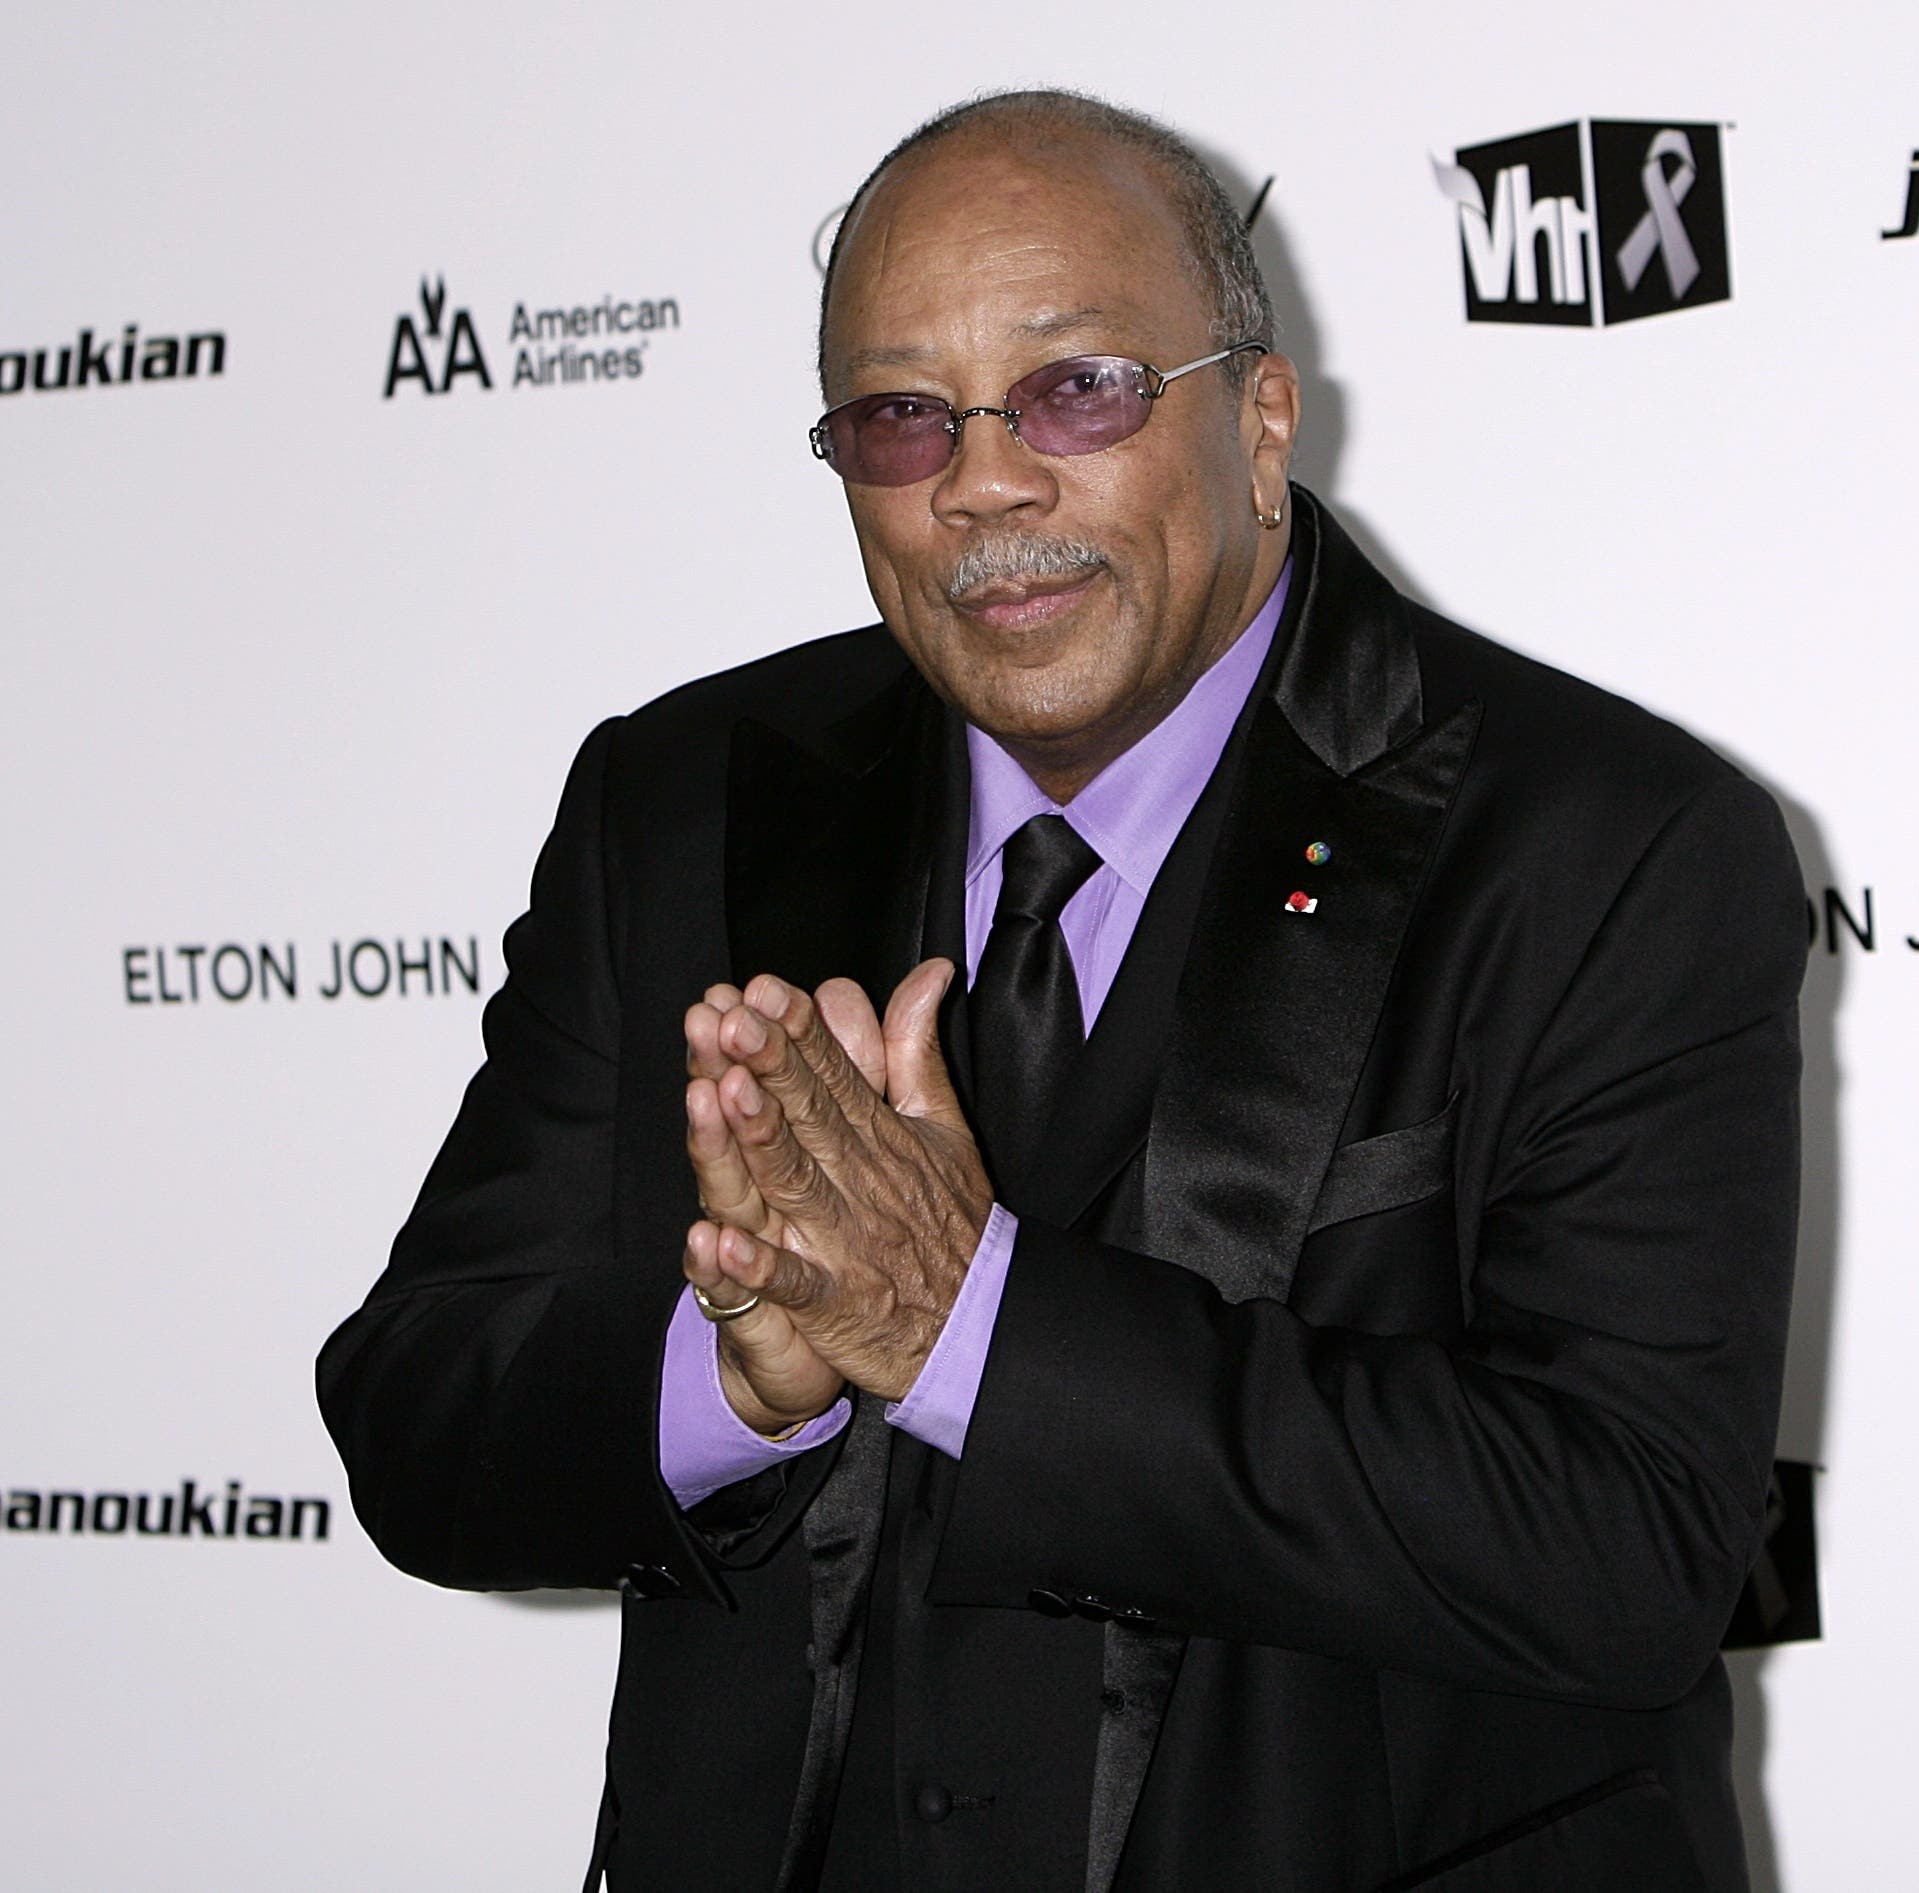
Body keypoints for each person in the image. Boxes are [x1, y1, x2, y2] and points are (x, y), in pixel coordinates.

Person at [319, 89, 1803, 1893]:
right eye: (898, 417)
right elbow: (419, 1418)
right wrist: (736, 1376)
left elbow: (1629, 1546)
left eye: (1077, 387)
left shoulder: (1610, 845)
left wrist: (969, 1326)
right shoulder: (681, 799)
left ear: (1259, 422)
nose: (986, 480)